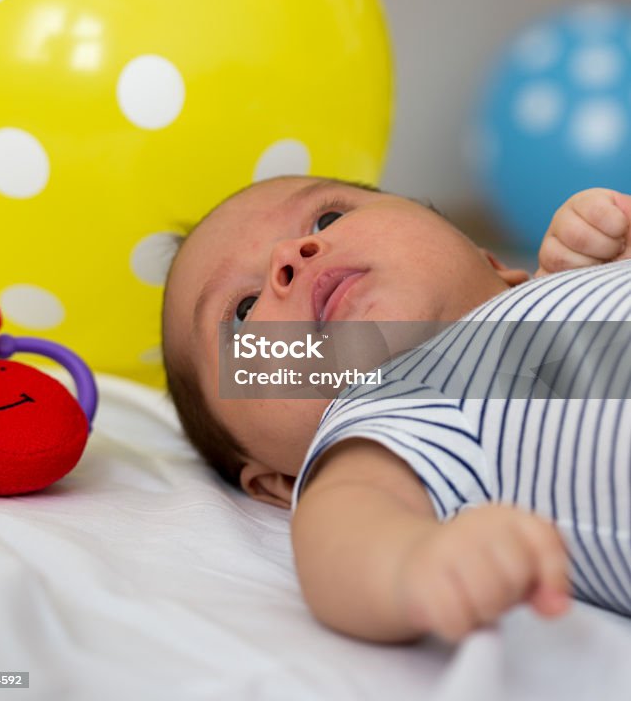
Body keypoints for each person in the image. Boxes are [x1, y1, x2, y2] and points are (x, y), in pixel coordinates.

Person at [161, 177, 631, 642]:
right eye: (243, 311)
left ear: (490, 262)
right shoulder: (384, 416)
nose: (289, 255)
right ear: (283, 483)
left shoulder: (551, 296)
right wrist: (416, 562)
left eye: (329, 217)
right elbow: (343, 540)